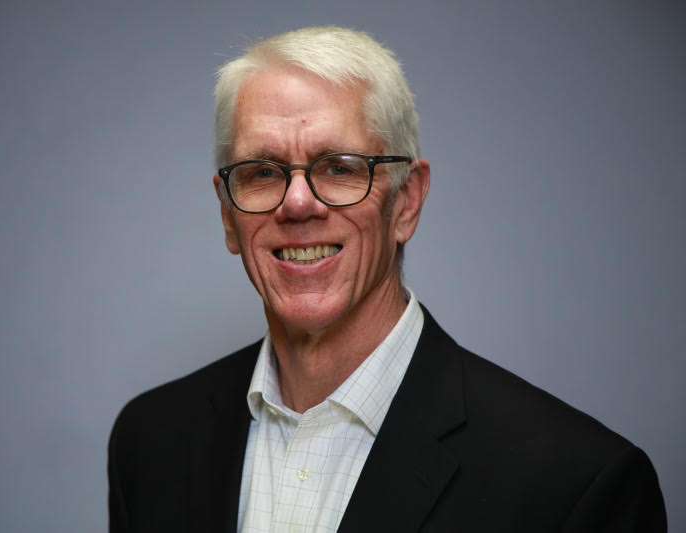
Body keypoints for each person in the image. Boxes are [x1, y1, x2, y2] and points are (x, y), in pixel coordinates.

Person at [108, 26, 666, 532]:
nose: (297, 204)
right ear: (229, 215)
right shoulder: (149, 441)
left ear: (407, 202)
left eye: (339, 167)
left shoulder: (576, 486)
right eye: (262, 172)